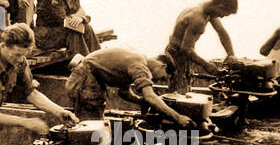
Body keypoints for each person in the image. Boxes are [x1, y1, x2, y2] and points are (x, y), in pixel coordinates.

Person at [61, 46, 195, 128]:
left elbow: (124, 93)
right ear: (162, 66)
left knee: (93, 123)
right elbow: (150, 96)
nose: (158, 79)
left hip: (87, 77)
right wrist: (177, 117)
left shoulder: (137, 61)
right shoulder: (140, 66)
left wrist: (140, 101)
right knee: (92, 125)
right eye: (163, 77)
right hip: (84, 78)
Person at [164, 0, 238, 92]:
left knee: (183, 91)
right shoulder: (198, 19)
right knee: (180, 94)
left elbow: (221, 32)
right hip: (177, 57)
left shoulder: (206, 10)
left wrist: (231, 54)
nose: (222, 17)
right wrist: (206, 65)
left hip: (181, 54)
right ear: (220, 7)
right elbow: (186, 49)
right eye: (224, 14)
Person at [35, 0, 99, 58]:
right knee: (74, 31)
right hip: (45, 36)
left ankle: (98, 58)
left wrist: (81, 18)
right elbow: (64, 21)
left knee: (87, 28)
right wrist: (79, 19)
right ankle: (82, 64)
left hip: (60, 32)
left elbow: (82, 14)